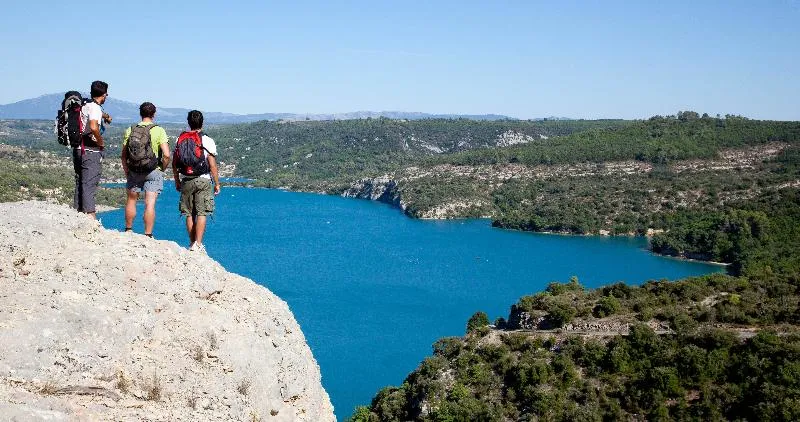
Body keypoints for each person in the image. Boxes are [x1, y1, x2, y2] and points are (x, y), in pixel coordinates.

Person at [172, 110, 220, 253]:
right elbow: (212, 165)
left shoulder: (180, 139)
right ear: (202, 122)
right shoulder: (207, 140)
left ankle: (191, 242)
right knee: (202, 212)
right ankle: (198, 245)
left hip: (186, 179)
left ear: (188, 122)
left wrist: (177, 181)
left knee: (188, 213)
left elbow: (175, 164)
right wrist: (217, 183)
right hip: (203, 179)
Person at [121, 102, 170, 237]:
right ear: (153, 114)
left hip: (134, 169)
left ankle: (128, 230)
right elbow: (166, 155)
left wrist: (127, 171)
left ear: (140, 113)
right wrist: (162, 169)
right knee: (150, 203)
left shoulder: (130, 129)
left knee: (131, 199)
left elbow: (123, 155)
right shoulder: (158, 130)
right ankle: (148, 234)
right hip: (153, 170)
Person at [73, 80, 112, 219]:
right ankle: (91, 221)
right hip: (91, 151)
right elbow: (94, 126)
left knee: (80, 184)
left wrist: (106, 117)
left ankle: (77, 215)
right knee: (89, 185)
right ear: (104, 94)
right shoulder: (95, 108)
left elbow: (96, 114)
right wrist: (101, 143)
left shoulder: (85, 104)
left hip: (78, 149)